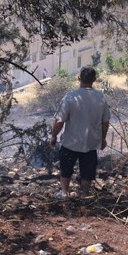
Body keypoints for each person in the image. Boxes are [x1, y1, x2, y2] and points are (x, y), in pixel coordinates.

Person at [50, 66, 111, 198]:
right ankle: (85, 195)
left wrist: (54, 136)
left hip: (71, 142)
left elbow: (60, 121)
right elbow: (105, 122)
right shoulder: (101, 98)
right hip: (91, 142)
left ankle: (65, 193)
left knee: (66, 168)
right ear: (94, 79)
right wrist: (103, 139)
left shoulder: (70, 97)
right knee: (87, 170)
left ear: (79, 78)